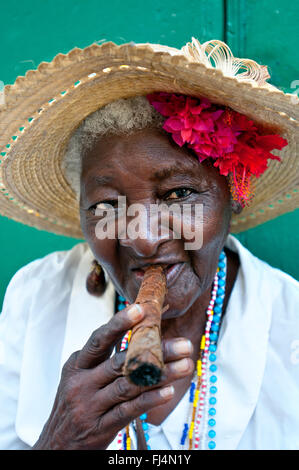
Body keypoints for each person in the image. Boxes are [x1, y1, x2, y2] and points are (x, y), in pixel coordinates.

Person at [0, 38, 298, 451]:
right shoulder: (35, 297)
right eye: (107, 205)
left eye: (178, 194)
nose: (143, 238)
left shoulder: (291, 323)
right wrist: (59, 443)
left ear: (233, 194)